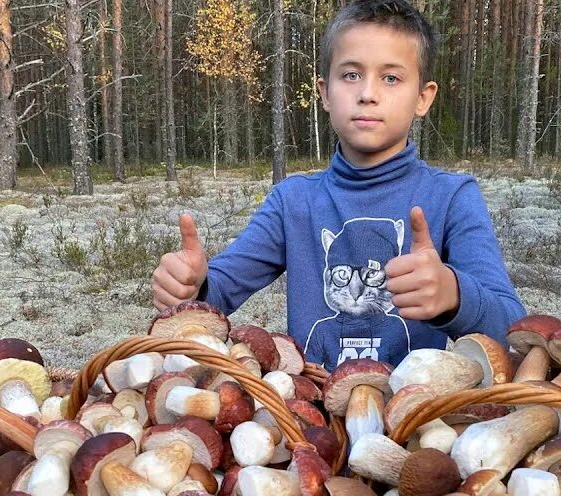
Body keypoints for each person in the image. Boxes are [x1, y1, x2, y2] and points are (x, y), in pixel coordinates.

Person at [151, 0, 525, 371]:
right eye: (350, 75)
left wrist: (454, 295)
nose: (368, 93)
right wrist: (192, 287)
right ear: (325, 93)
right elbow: (219, 290)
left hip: (417, 418)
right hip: (312, 416)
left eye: (391, 78)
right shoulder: (293, 201)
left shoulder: (451, 197)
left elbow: (511, 328)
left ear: (423, 97)